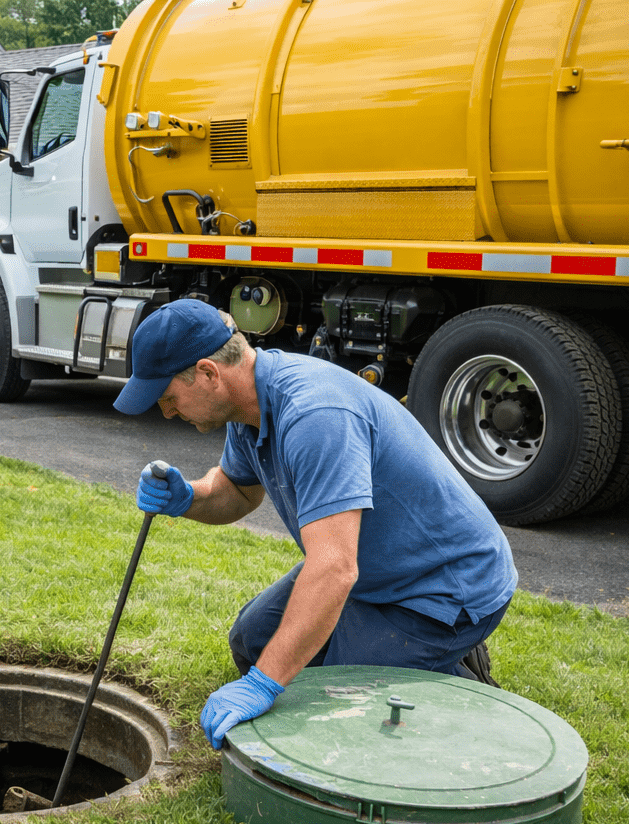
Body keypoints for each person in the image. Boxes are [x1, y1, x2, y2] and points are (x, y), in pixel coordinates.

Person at [113, 299, 517, 750]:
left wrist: (266, 684)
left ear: (208, 373)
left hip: (444, 586)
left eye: (167, 398)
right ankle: (401, 657)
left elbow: (334, 569)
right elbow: (239, 491)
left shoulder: (314, 415)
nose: (166, 412)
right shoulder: (249, 409)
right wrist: (189, 497)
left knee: (335, 704)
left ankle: (455, 675)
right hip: (374, 571)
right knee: (254, 641)